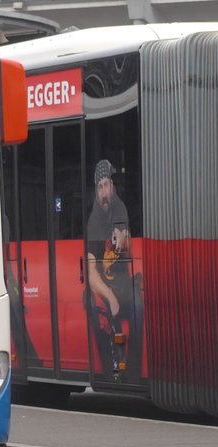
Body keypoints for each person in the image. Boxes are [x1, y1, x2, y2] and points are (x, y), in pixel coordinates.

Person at [85, 158, 142, 379]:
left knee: (139, 306)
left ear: (113, 187)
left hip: (123, 283)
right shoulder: (94, 221)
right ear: (96, 192)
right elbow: (91, 273)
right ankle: (107, 368)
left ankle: (133, 367)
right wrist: (110, 297)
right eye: (99, 187)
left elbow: (124, 250)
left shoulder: (120, 210)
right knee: (90, 305)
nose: (104, 192)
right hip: (103, 286)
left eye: (107, 185)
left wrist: (122, 238)